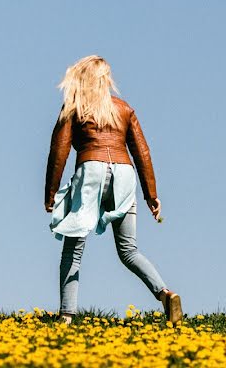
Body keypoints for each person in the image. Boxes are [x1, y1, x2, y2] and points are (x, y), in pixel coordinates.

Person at [45, 55, 182, 324]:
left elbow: (58, 152)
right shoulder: (124, 109)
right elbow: (142, 153)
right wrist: (151, 195)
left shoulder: (74, 108)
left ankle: (66, 316)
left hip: (91, 171)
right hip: (124, 174)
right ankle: (165, 294)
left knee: (73, 248)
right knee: (129, 250)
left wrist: (50, 193)